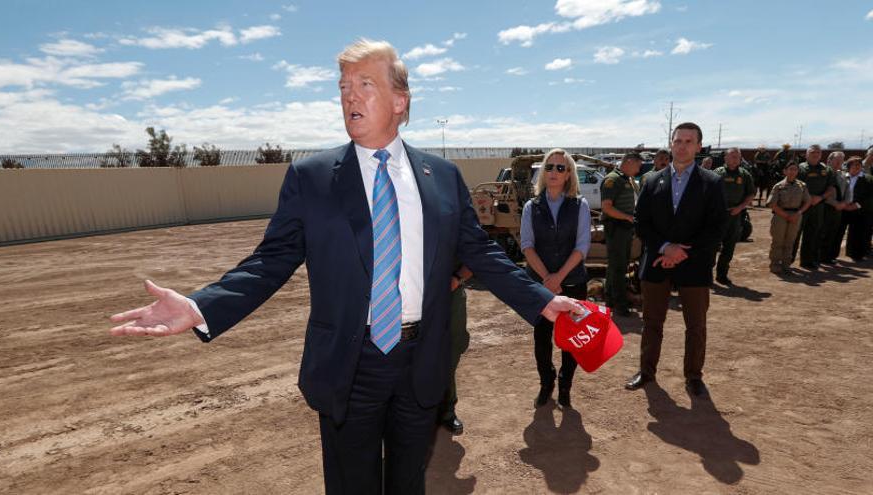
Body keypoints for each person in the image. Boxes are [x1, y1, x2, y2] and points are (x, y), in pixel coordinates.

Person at [108, 39, 581, 495]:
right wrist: (198, 305)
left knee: (408, 483)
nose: (349, 95)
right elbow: (270, 261)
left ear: (400, 101)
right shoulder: (311, 177)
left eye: (365, 84)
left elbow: (481, 253)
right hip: (350, 365)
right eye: (343, 86)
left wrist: (543, 300)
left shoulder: (443, 178)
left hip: (422, 360)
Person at [624, 122, 728, 398]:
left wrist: (682, 253)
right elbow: (641, 222)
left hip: (694, 265)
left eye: (688, 141)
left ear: (698, 146)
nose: (682, 146)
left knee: (696, 325)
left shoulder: (712, 182)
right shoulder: (651, 180)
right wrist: (666, 248)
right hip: (657, 263)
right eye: (678, 141)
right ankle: (646, 372)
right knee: (652, 323)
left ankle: (694, 376)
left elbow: (716, 227)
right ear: (671, 144)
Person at [520, 148, 592, 409]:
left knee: (572, 339)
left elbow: (582, 246)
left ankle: (565, 386)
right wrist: (547, 279)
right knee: (542, 338)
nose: (553, 172)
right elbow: (527, 246)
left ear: (568, 174)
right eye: (549, 167)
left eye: (560, 168)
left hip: (572, 282)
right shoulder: (531, 206)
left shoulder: (580, 205)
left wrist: (558, 277)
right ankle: (546, 382)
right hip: (540, 286)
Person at [601, 152, 641, 315]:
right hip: (616, 228)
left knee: (617, 266)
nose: (639, 169)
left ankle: (611, 299)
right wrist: (627, 217)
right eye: (638, 165)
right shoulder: (613, 179)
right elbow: (606, 207)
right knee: (618, 268)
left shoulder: (625, 179)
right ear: (629, 162)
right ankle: (620, 304)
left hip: (624, 229)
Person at [713, 148, 755, 285]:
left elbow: (751, 194)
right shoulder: (717, 173)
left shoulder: (745, 175)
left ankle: (722, 275)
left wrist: (741, 207)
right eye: (732, 156)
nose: (735, 159)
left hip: (735, 215)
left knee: (729, 247)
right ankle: (706, 275)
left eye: (737, 157)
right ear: (725, 158)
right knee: (712, 245)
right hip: (718, 215)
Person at [439, 262, 472, 435]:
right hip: (414, 294)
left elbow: (474, 257)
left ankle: (448, 410)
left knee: (450, 353)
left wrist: (457, 278)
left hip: (452, 294)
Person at [767, 162, 812, 274]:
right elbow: (772, 203)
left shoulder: (802, 186)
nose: (792, 172)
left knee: (790, 241)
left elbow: (808, 201)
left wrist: (799, 213)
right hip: (780, 216)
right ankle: (775, 264)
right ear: (785, 171)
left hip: (796, 215)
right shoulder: (779, 186)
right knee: (778, 241)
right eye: (790, 169)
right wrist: (786, 215)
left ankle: (786, 265)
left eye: (795, 170)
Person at [796, 145, 836, 270]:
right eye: (812, 152)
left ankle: (808, 261)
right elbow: (795, 184)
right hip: (801, 205)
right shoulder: (800, 168)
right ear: (806, 154)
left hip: (818, 206)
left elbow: (831, 188)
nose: (815, 154)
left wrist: (820, 197)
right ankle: (788, 260)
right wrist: (808, 197)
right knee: (795, 233)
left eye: (818, 152)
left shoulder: (827, 169)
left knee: (813, 233)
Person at [841, 157, 873, 261]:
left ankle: (856, 254)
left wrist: (856, 205)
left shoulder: (868, 179)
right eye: (854, 165)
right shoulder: (842, 177)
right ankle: (830, 255)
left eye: (859, 164)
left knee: (858, 232)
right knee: (838, 232)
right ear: (849, 166)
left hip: (860, 210)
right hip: (842, 208)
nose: (857, 166)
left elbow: (870, 197)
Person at [821, 152, 848, 263]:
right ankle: (819, 256)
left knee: (833, 232)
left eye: (841, 160)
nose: (839, 163)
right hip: (826, 207)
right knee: (823, 232)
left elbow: (846, 191)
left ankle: (828, 256)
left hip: (839, 208)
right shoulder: (824, 173)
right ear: (829, 160)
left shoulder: (842, 175)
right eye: (836, 160)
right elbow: (821, 191)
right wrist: (834, 203)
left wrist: (844, 203)